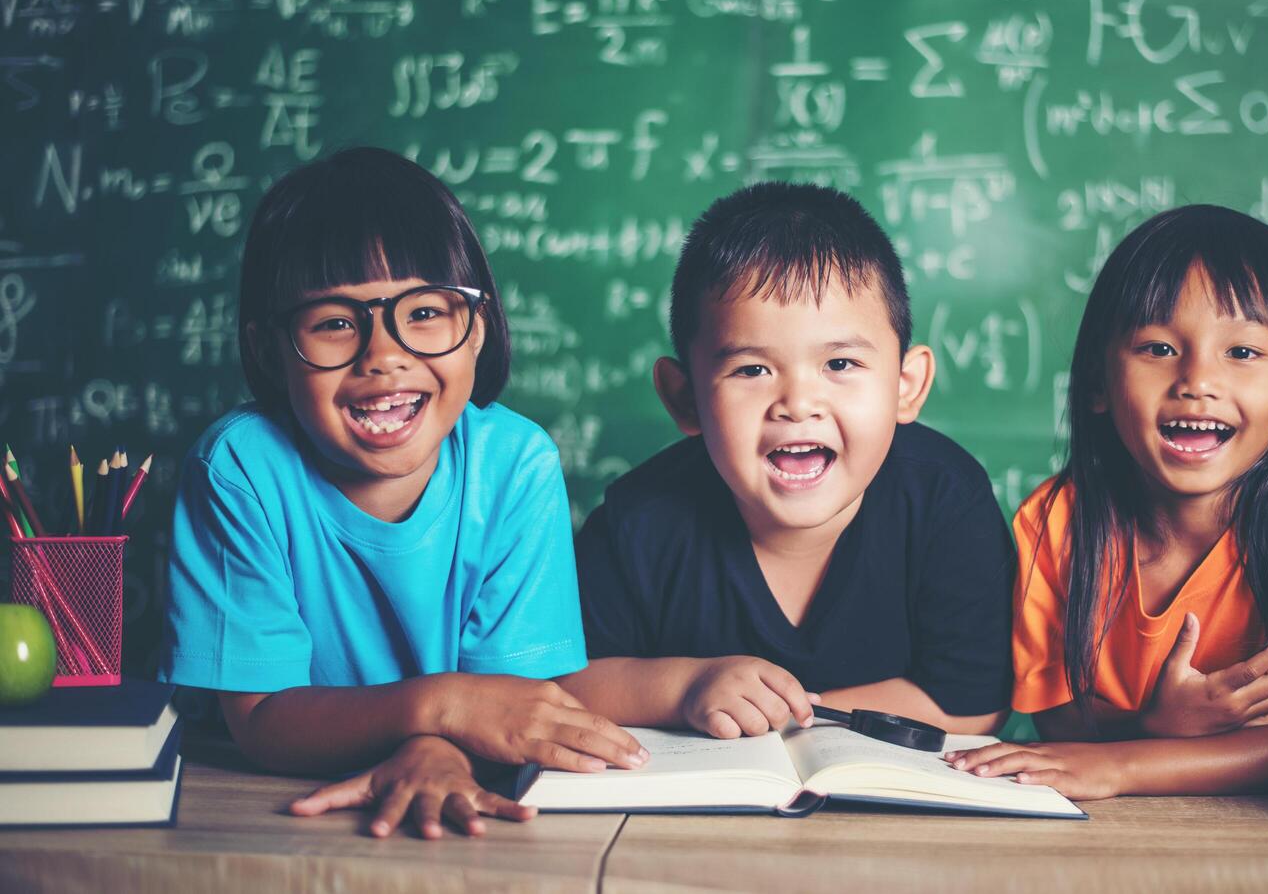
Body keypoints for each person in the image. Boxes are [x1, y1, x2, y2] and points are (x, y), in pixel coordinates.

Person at [158, 147, 644, 838]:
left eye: (424, 313)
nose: (383, 355)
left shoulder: (515, 464)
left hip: (461, 794)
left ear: (475, 328)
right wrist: (442, 711)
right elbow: (261, 721)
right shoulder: (239, 469)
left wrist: (433, 743)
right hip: (261, 812)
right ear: (270, 351)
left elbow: (505, 707)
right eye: (333, 321)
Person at [947, 204, 1268, 797]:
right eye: (1158, 348)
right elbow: (1056, 719)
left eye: (1241, 353)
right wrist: (1161, 727)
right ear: (1096, 386)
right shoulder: (1056, 522)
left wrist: (1125, 764)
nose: (1197, 380)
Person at [560, 181, 1015, 738]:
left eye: (841, 364)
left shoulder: (945, 499)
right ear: (684, 398)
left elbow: (970, 705)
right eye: (752, 370)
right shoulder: (639, 521)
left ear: (906, 385)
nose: (798, 404)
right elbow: (561, 685)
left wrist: (792, 718)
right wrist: (686, 688)